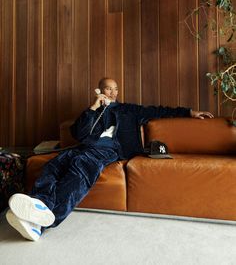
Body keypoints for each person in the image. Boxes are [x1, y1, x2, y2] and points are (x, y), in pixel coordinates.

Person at [6, 77, 214, 241]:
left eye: (115, 89)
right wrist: (94, 108)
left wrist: (190, 112)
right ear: (100, 91)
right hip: (84, 146)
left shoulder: (129, 110)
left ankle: (47, 217)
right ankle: (37, 210)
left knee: (81, 166)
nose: (113, 92)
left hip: (111, 149)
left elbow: (159, 110)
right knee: (53, 165)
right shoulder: (93, 111)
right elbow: (79, 133)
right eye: (108, 89)